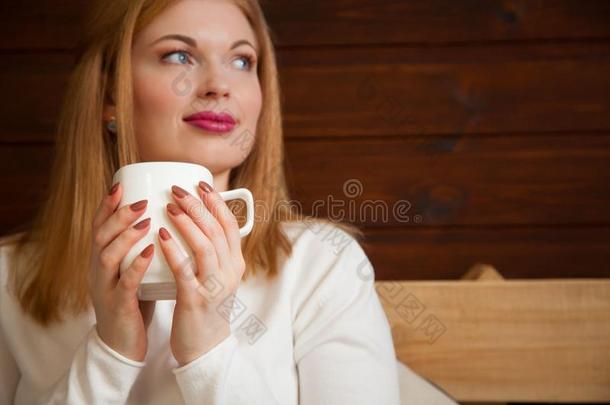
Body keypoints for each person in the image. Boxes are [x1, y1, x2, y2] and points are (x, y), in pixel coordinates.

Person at [0, 0, 401, 403]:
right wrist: (108, 355)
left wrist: (209, 349)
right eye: (179, 56)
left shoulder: (324, 265)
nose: (219, 85)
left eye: (242, 61)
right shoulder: (9, 279)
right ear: (110, 97)